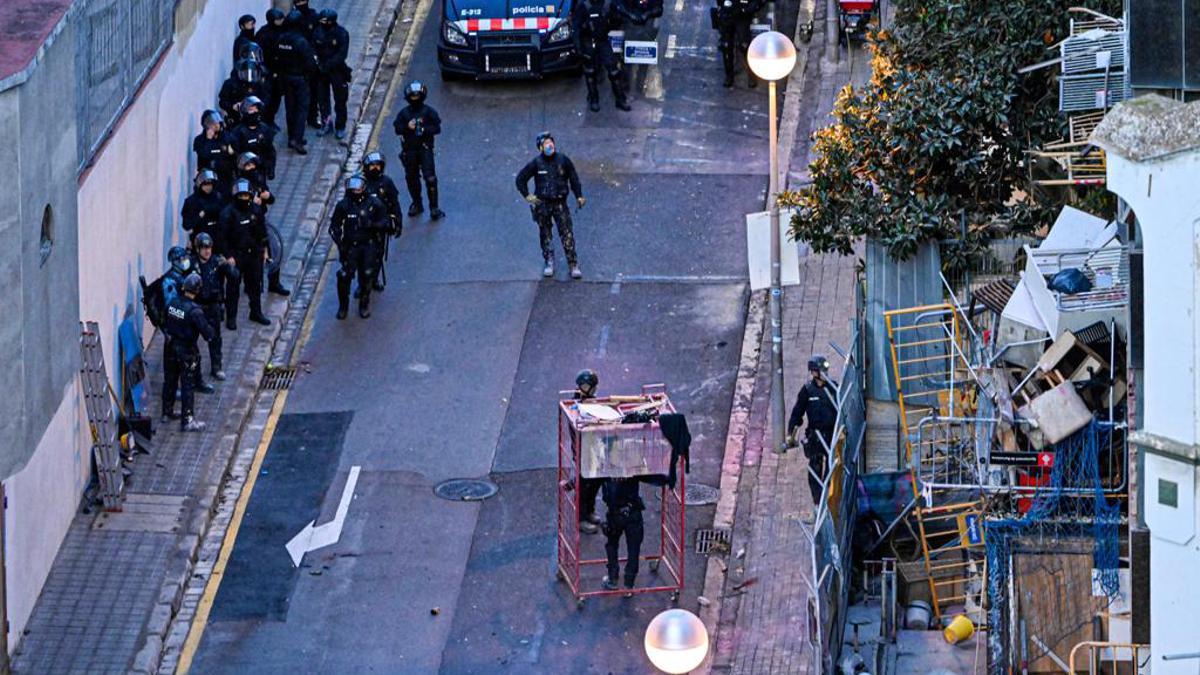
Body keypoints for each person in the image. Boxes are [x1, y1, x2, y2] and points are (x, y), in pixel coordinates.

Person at [515, 132, 585, 279]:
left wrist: (579, 195)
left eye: (551, 142)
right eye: (546, 143)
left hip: (560, 204)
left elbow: (573, 178)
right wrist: (528, 196)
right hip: (543, 205)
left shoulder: (563, 160)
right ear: (540, 147)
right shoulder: (536, 163)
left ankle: (573, 264)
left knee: (567, 234)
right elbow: (520, 179)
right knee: (545, 234)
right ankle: (549, 262)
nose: (549, 145)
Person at [329, 174, 389, 320]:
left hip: (368, 245)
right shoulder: (344, 205)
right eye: (353, 188)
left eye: (359, 188)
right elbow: (334, 227)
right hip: (350, 247)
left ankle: (364, 304)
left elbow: (385, 222)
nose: (356, 191)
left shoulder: (374, 204)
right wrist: (340, 243)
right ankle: (343, 306)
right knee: (344, 276)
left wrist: (372, 225)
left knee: (367, 274)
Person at [162, 273, 216, 432]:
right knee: (187, 384)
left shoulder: (172, 303)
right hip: (186, 350)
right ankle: (187, 419)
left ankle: (167, 412)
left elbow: (164, 321)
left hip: (170, 346)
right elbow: (208, 334)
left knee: (170, 380)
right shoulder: (195, 311)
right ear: (197, 290)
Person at [220, 178, 272, 327]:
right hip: (236, 256)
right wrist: (228, 256)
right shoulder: (227, 214)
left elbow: (262, 232)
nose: (244, 199)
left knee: (255, 285)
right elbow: (222, 238)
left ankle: (256, 312)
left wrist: (265, 250)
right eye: (241, 196)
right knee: (233, 287)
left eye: (246, 196)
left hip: (254, 254)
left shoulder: (255, 211)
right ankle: (231, 317)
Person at [787, 355, 838, 504]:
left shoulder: (834, 388)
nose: (824, 373)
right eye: (821, 370)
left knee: (832, 469)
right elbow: (797, 413)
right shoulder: (807, 391)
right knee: (815, 468)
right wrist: (791, 434)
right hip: (815, 435)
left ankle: (828, 501)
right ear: (814, 373)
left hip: (831, 434)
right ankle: (817, 502)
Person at [601, 476, 664, 594]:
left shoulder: (607, 469)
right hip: (633, 513)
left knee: (612, 544)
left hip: (615, 514)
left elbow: (588, 479)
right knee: (633, 549)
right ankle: (629, 585)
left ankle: (613, 578)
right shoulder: (633, 466)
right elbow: (652, 477)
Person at [392, 81, 444, 220]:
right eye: (412, 97)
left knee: (430, 178)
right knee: (412, 178)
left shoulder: (429, 112)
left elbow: (437, 128)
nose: (415, 100)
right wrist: (407, 127)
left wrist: (424, 129)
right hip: (409, 150)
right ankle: (417, 203)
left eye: (417, 97)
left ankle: (434, 207)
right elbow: (397, 129)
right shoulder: (403, 114)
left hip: (425, 149)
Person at [193, 233, 239, 381]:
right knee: (191, 340)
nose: (207, 251)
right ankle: (195, 372)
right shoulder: (192, 264)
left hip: (213, 305)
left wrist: (228, 267)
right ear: (198, 249)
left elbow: (234, 276)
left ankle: (216, 367)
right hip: (197, 306)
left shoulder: (217, 262)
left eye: (209, 247)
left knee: (215, 338)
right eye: (204, 248)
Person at [572, 0, 631, 112]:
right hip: (588, 41)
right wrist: (578, 47)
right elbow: (576, 28)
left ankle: (620, 100)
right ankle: (594, 99)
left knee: (614, 72)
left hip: (603, 40)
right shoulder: (583, 5)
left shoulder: (608, 4)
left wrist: (614, 20)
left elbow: (618, 21)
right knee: (590, 72)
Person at [275, 10, 320, 154]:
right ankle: (297, 140)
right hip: (300, 79)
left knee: (290, 108)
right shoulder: (301, 41)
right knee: (301, 110)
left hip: (285, 77)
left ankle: (291, 137)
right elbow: (310, 63)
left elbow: (277, 59)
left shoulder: (281, 39)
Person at [362, 151, 402, 291]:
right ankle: (363, 284)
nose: (375, 168)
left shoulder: (386, 182)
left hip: (380, 225)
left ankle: (373, 279)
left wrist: (398, 222)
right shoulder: (361, 184)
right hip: (363, 227)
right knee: (362, 257)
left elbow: (394, 203)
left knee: (378, 255)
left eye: (378, 165)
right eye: (372, 165)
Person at [313, 8, 351, 139]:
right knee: (322, 99)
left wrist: (327, 65)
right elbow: (314, 49)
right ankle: (326, 124)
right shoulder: (318, 32)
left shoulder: (341, 34)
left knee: (340, 100)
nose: (322, 23)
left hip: (337, 71)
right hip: (322, 71)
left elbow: (342, 54)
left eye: (325, 21)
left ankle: (340, 126)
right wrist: (318, 64)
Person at [574, 369, 604, 534]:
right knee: (584, 486)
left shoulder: (591, 401)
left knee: (594, 483)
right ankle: (581, 518)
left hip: (593, 449)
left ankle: (589, 511)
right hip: (583, 451)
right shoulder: (578, 404)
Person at [713, 0, 764, 88]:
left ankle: (752, 75)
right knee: (726, 47)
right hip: (727, 15)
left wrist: (747, 10)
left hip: (742, 16)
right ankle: (729, 75)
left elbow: (756, 4)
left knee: (744, 46)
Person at [228, 96, 278, 180]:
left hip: (260, 170)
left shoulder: (264, 129)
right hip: (243, 172)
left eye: (256, 109)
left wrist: (271, 169)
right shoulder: (237, 132)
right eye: (251, 110)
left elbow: (270, 151)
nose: (254, 112)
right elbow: (233, 156)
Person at [218, 59, 272, 128]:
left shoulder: (259, 85)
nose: (248, 76)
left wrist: (257, 106)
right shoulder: (230, 83)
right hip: (235, 118)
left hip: (254, 119)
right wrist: (232, 106)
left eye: (252, 73)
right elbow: (222, 101)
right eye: (246, 73)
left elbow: (266, 100)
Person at [257, 8, 288, 126]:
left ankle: (271, 118)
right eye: (278, 20)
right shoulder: (263, 34)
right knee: (268, 97)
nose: (280, 22)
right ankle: (266, 120)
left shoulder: (284, 30)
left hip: (281, 69)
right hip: (268, 70)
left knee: (277, 96)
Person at [182, 170, 226, 250]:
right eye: (205, 184)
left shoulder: (218, 197)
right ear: (200, 184)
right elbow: (187, 225)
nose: (208, 187)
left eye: (210, 184)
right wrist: (200, 215)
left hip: (218, 240)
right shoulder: (191, 201)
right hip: (200, 241)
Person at [193, 110, 236, 186]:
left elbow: (235, 153)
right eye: (212, 123)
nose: (216, 125)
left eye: (217, 122)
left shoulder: (227, 137)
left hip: (226, 178)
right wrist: (208, 140)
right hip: (208, 179)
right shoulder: (199, 140)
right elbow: (204, 155)